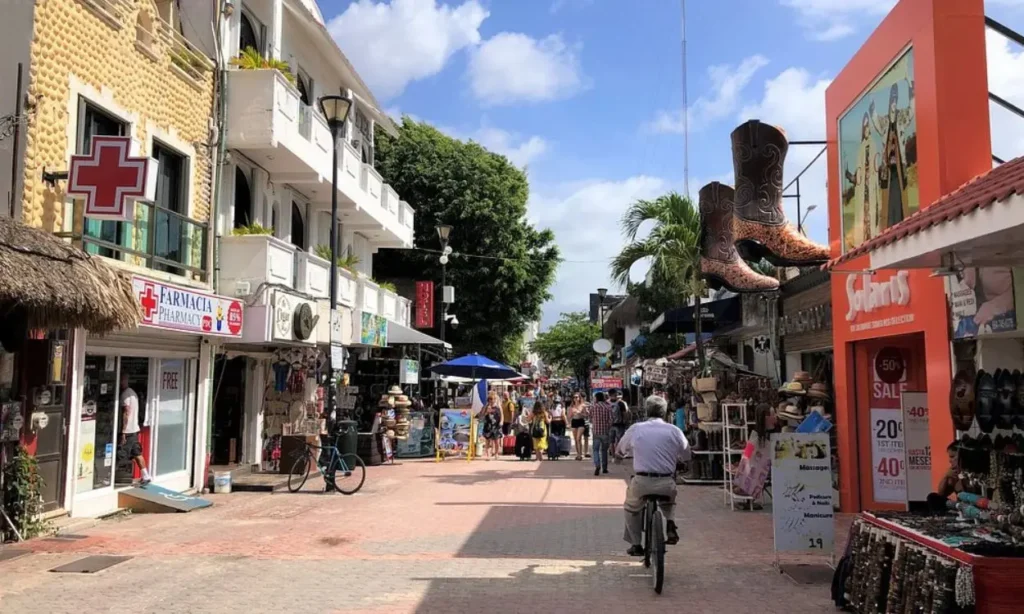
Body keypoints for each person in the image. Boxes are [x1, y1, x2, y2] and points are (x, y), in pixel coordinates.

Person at [616, 395, 691, 555]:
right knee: (669, 501)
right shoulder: (674, 430)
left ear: (646, 411)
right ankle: (670, 522)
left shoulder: (636, 429)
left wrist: (619, 456)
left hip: (642, 481)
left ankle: (636, 545)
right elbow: (686, 454)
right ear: (664, 413)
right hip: (666, 482)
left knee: (631, 508)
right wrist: (679, 459)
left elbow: (621, 449)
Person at [119, 374, 151, 485]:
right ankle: (145, 475)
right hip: (134, 429)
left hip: (128, 431)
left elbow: (126, 412)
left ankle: (118, 477)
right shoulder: (133, 393)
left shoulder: (125, 395)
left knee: (122, 454)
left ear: (123, 381)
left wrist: (123, 430)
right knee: (137, 453)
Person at [587, 391, 614, 476]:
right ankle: (605, 468)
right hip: (605, 432)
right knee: (604, 451)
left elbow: (590, 417)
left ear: (597, 398)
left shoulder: (593, 407)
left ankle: (597, 465)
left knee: (595, 450)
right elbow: (611, 420)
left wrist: (594, 421)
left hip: (596, 432)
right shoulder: (608, 407)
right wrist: (607, 427)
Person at [477, 391, 503, 461]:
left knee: (496, 441)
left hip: (496, 425)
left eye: (492, 399)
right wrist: (486, 412)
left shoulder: (498, 406)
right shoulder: (486, 406)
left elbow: (502, 415)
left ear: (495, 399)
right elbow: (481, 415)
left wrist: (501, 421)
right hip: (488, 425)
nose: (491, 401)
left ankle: (496, 454)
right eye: (489, 399)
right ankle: (488, 454)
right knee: (487, 440)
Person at [567, 392, 588, 460]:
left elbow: (586, 415)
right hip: (574, 422)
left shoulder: (583, 406)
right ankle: (578, 454)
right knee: (576, 439)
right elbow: (569, 417)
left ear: (579, 398)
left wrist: (580, 413)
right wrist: (571, 415)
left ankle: (580, 454)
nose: (575, 398)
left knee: (579, 438)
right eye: (574, 397)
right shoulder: (571, 406)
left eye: (577, 397)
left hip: (581, 422)